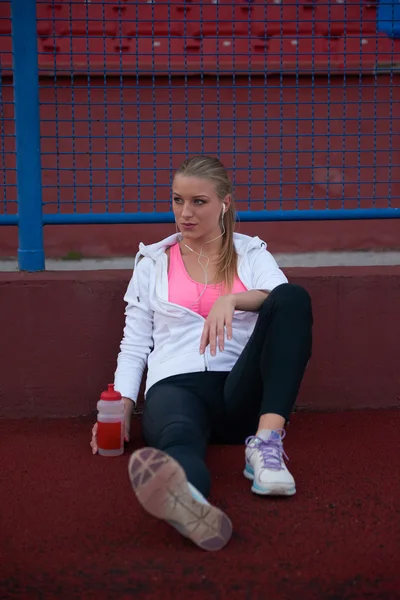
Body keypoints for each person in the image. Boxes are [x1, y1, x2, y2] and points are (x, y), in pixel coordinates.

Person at [90, 155, 313, 552]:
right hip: (176, 386)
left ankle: (265, 444)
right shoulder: (153, 262)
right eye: (178, 200)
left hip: (240, 390)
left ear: (224, 203)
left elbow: (279, 298)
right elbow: (135, 342)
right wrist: (122, 404)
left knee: (293, 298)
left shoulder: (251, 253)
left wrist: (233, 299)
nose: (185, 213)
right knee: (179, 442)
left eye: (198, 202)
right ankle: (189, 502)